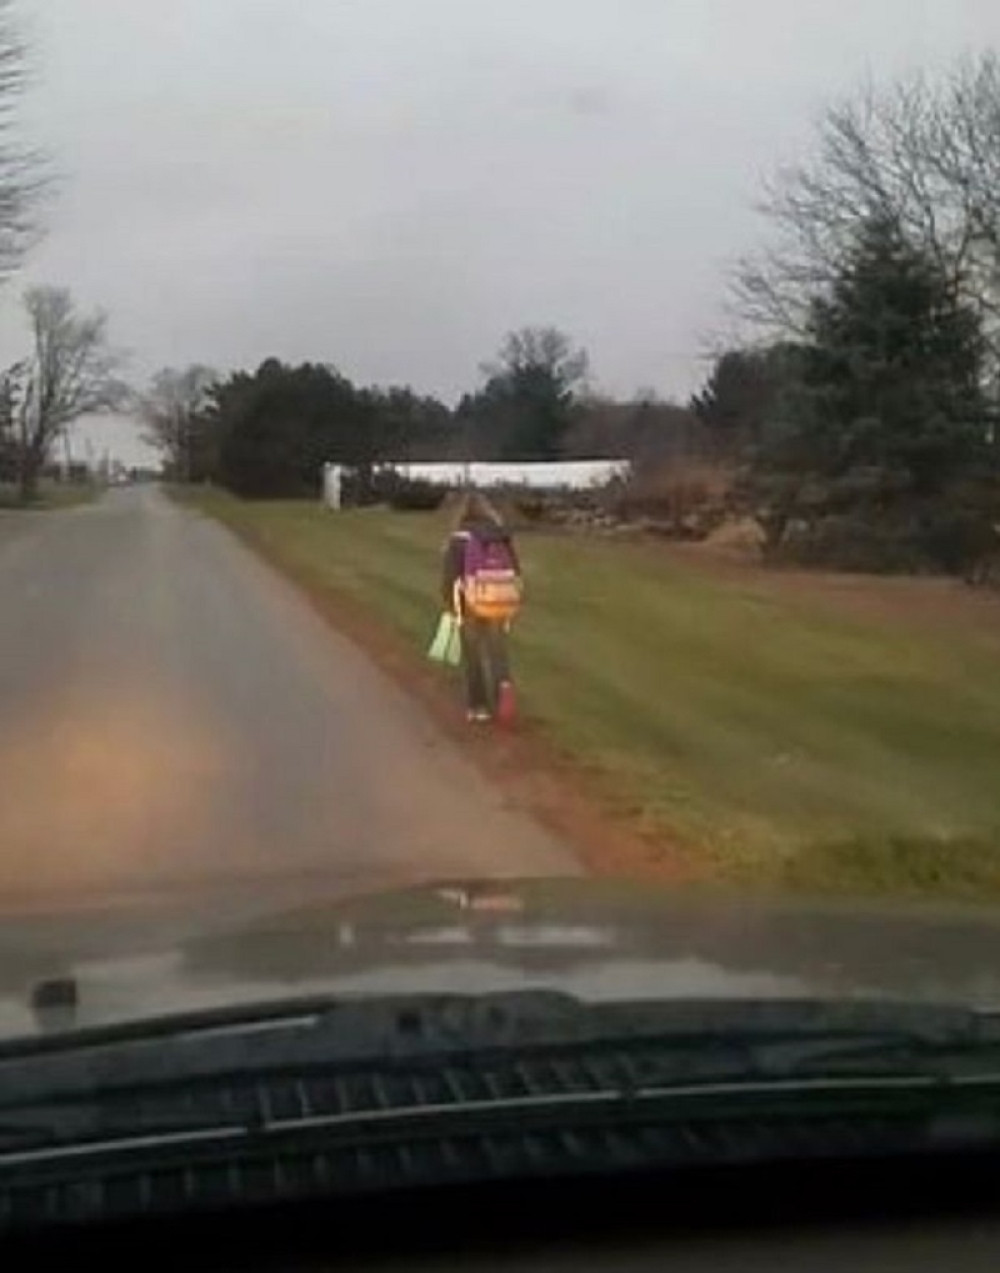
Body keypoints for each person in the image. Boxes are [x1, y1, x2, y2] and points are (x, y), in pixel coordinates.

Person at [441, 490, 522, 723]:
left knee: (473, 655)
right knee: (498, 652)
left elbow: (450, 578)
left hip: (470, 603)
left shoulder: (459, 539)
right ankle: (503, 693)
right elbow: (516, 571)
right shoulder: (501, 537)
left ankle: (479, 707)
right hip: (500, 601)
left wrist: (451, 605)